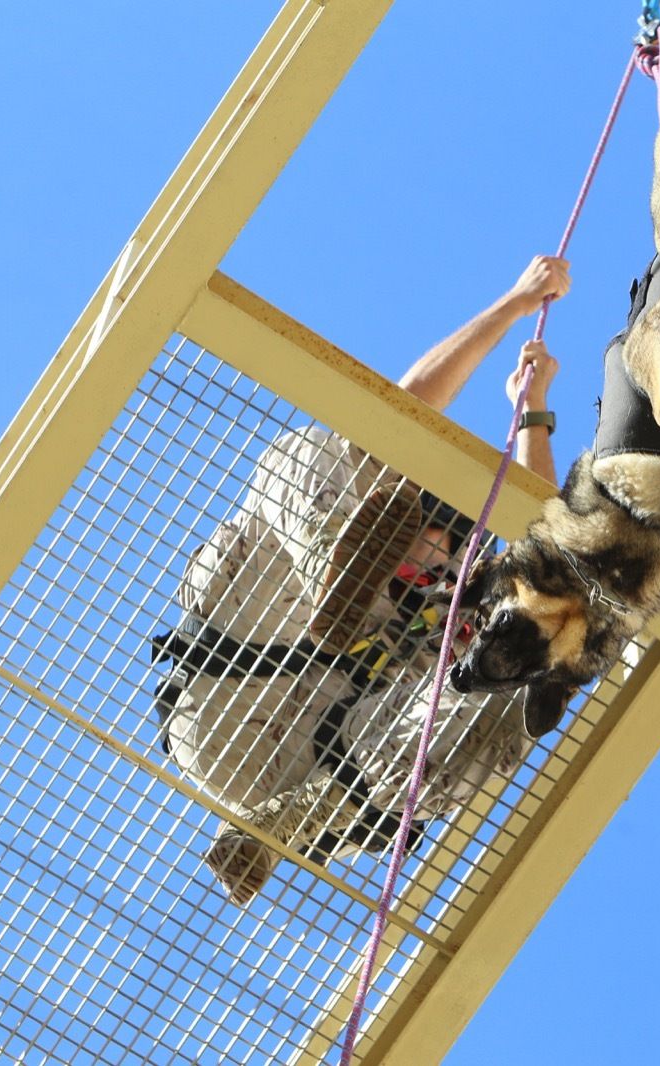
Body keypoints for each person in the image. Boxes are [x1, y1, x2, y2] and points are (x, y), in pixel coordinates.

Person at [154, 256, 568, 905]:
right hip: (236, 688)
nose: (441, 547)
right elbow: (404, 406)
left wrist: (532, 412)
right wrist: (514, 304)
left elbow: (540, 528)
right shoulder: (373, 506)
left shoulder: (453, 595)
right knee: (324, 445)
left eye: (454, 540)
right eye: (433, 522)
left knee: (522, 656)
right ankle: (332, 563)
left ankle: (280, 828)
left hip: (336, 773)